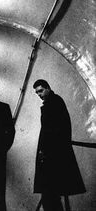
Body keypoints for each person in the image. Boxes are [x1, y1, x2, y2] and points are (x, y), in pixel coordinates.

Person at [33, 79, 86, 211]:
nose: (39, 94)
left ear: (47, 88)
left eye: (40, 91)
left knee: (50, 193)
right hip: (54, 152)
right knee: (53, 192)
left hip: (53, 154)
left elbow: (51, 130)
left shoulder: (54, 102)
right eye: (36, 93)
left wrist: (44, 151)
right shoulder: (55, 101)